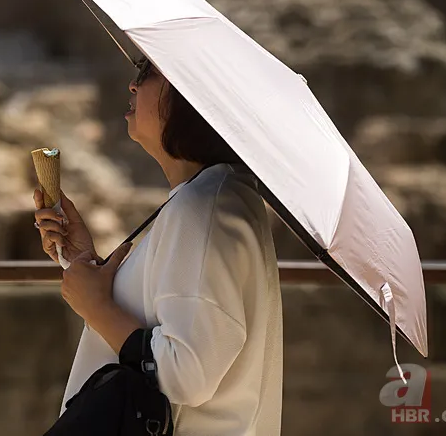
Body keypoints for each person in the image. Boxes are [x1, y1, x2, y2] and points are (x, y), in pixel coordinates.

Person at [33, 59, 283, 436]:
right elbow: (167, 321)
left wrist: (97, 307)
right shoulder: (206, 198)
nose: (132, 86)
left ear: (190, 96)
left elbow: (187, 374)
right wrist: (82, 262)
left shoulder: (204, 207)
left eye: (147, 74)